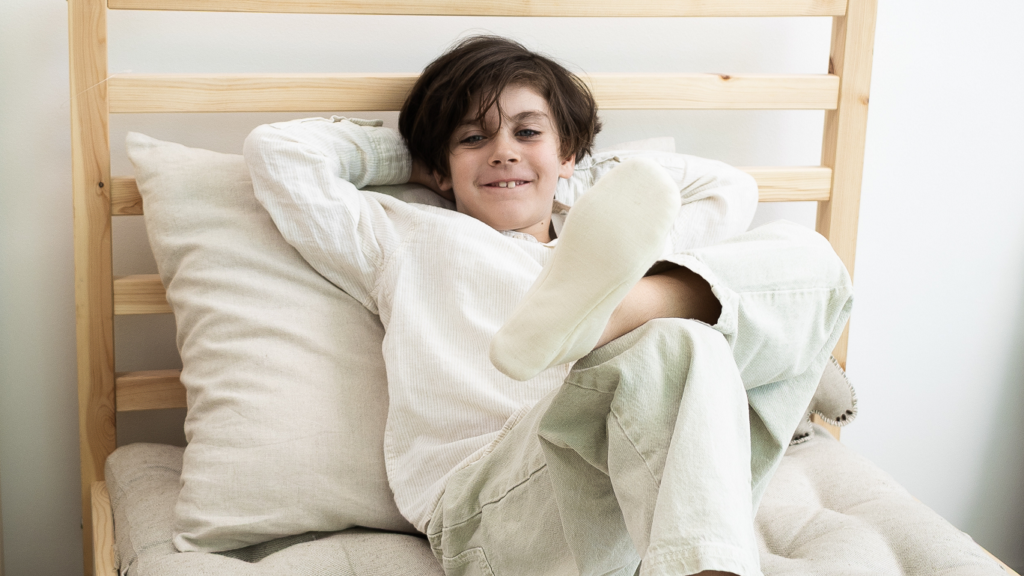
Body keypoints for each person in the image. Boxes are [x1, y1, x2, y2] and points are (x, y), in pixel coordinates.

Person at [244, 35, 852, 576]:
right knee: (679, 340)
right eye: (473, 137)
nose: (503, 151)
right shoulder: (401, 235)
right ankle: (615, 322)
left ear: (569, 154)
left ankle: (605, 319)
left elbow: (727, 188)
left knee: (806, 266)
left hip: (631, 506)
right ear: (438, 168)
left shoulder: (616, 233)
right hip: (492, 512)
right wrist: (418, 154)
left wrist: (569, 174)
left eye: (527, 132)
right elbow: (281, 154)